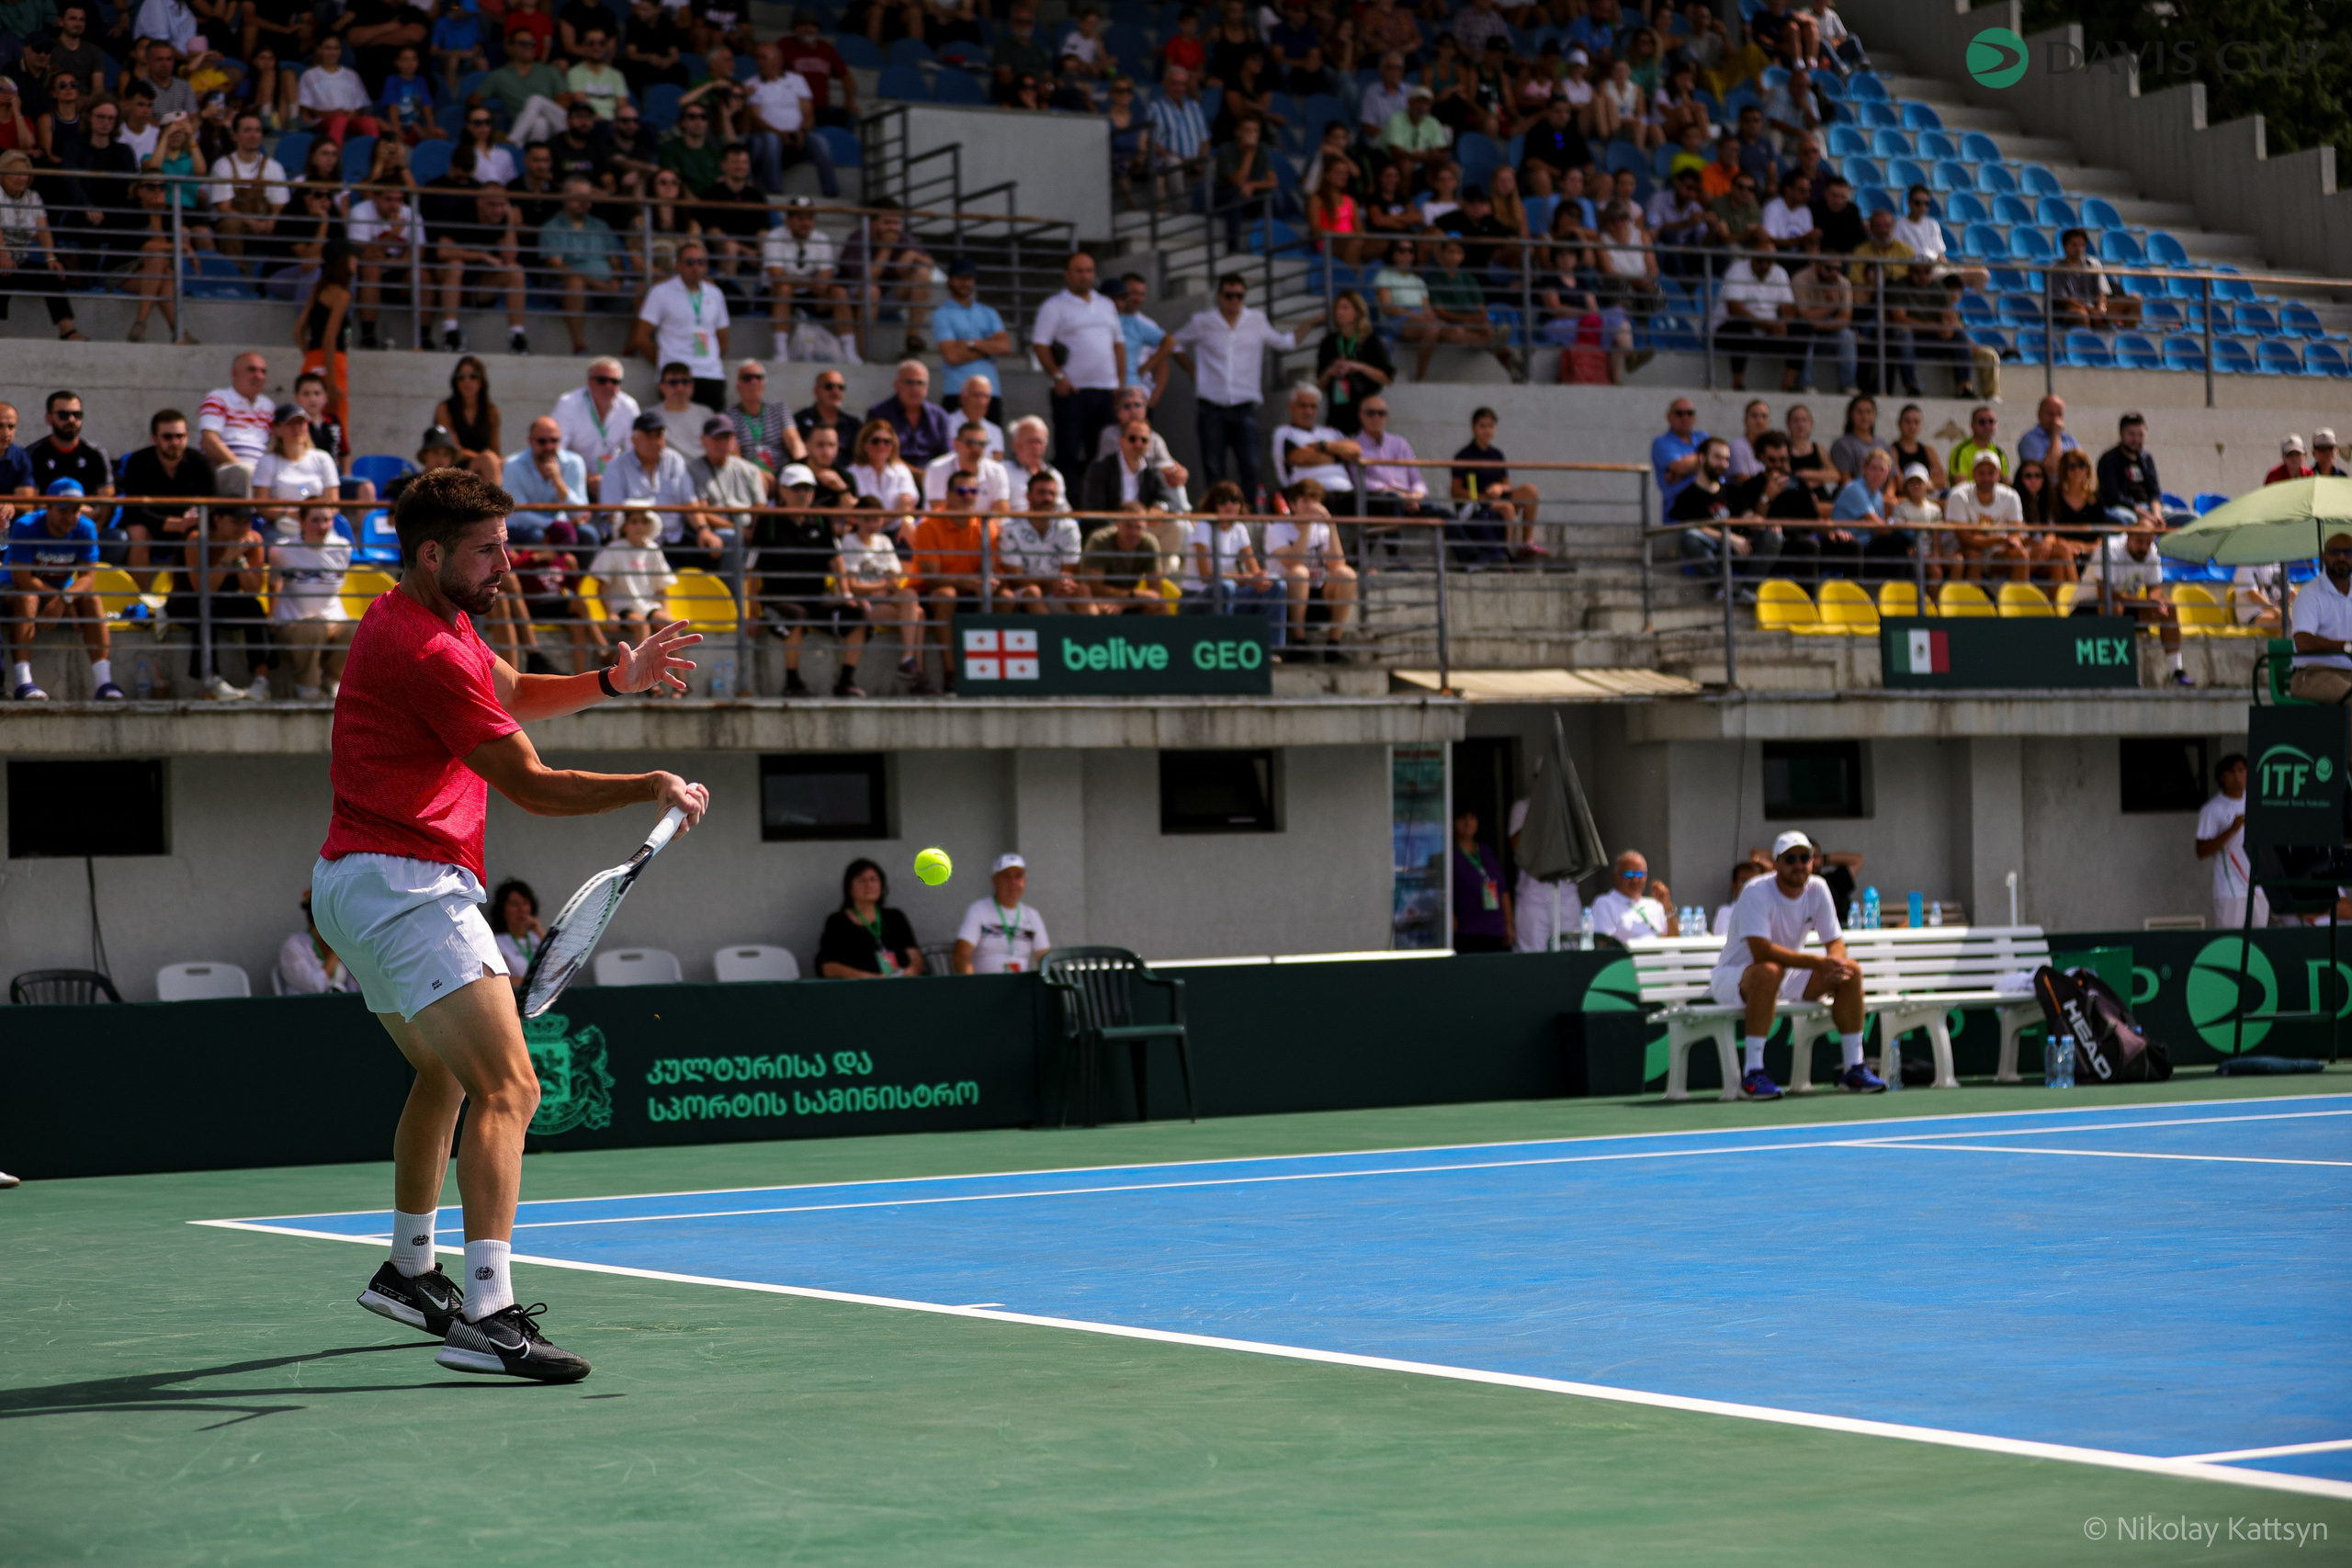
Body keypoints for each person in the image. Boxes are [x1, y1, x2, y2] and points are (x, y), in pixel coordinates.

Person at [313, 466, 703, 1381]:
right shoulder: (431, 652)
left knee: (448, 1073)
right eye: (488, 549)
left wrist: (614, 679)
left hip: (348, 882)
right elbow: (533, 783)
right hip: (410, 885)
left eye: (505, 544)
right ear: (431, 553)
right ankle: (488, 1317)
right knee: (512, 1089)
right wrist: (651, 785)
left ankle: (410, 1270)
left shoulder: (408, 614)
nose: (507, 563)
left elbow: (513, 689)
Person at [1711, 829, 1880, 1100]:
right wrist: (1818, 963)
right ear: (1776, 863)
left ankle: (1854, 1068)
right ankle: (1753, 1073)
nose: (1799, 865)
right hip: (1733, 978)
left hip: (1785, 975)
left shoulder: (1818, 888)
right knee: (1770, 971)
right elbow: (1761, 952)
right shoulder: (1755, 891)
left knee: (1851, 971)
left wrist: (1835, 963)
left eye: (1805, 858)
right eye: (1790, 859)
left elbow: (1835, 941)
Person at [1170, 270, 1318, 502]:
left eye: (1239, 296)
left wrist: (1310, 323)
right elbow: (1173, 342)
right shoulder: (1203, 321)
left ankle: (1249, 514)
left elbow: (1285, 343)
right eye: (1229, 295)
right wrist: (1190, 370)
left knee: (1251, 466)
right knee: (1213, 467)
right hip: (1211, 405)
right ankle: (1217, 514)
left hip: (1244, 406)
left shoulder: (1256, 320)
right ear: (1219, 296)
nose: (1234, 301)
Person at [6, 478, 119, 700]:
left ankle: (105, 683)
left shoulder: (86, 527)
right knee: (28, 598)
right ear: (47, 507)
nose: (69, 517)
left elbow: (88, 578)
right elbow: (22, 579)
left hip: (58, 594)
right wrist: (60, 599)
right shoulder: (26, 525)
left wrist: (64, 600)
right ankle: (23, 682)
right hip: (15, 590)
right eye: (62, 510)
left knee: (92, 599)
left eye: (75, 510)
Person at [1031, 249, 1124, 485]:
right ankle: (1069, 501)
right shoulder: (1054, 306)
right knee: (1068, 453)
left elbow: (1118, 344)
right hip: (1073, 392)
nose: (1085, 276)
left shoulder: (1106, 304)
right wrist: (1058, 377)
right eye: (1079, 271)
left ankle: (1099, 502)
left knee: (1103, 454)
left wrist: (1120, 382)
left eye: (1089, 271)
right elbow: (1040, 344)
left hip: (1105, 392)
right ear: (1067, 274)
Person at [830, 500, 922, 695]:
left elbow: (894, 580)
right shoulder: (849, 542)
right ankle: (913, 671)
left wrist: (880, 588)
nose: (873, 524)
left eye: (877, 519)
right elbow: (852, 587)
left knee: (915, 605)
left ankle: (911, 663)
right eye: (868, 519)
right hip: (863, 606)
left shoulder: (884, 541)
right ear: (857, 519)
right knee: (915, 611)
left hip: (882, 600)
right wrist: (879, 587)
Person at [119, 408, 217, 586]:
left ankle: (196, 595)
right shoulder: (138, 462)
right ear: (154, 438)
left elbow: (212, 501)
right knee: (137, 532)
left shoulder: (199, 461)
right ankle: (143, 597)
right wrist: (173, 523)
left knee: (201, 534)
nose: (175, 442)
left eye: (180, 436)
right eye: (167, 437)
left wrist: (195, 516)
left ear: (187, 436)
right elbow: (134, 510)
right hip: (151, 525)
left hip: (189, 526)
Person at [605, 412, 715, 568]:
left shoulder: (675, 460)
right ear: (634, 439)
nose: (654, 441)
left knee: (710, 551)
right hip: (635, 543)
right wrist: (638, 533)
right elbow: (612, 514)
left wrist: (704, 530)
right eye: (648, 436)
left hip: (675, 539)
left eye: (659, 436)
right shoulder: (616, 467)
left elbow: (689, 502)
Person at [632, 239, 729, 411]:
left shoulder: (715, 294)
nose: (696, 267)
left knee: (713, 427)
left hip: (711, 375)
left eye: (701, 262)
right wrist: (666, 365)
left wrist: (709, 361)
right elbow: (641, 337)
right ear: (677, 265)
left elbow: (723, 338)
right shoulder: (661, 292)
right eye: (690, 262)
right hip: (676, 378)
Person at [268, 501, 352, 699]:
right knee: (314, 627)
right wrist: (272, 618)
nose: (322, 526)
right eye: (315, 520)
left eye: (327, 520)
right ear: (302, 522)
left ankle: (333, 680)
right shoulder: (281, 550)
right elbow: (273, 584)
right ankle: (307, 685)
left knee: (356, 628)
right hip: (294, 622)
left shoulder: (343, 548)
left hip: (332, 620)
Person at [2086, 524, 2188, 685]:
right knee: (2115, 607)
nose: (2143, 548)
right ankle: (2123, 672)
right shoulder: (2109, 549)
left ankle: (2176, 671)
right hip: (2087, 607)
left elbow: (2155, 588)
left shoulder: (2151, 551)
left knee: (2169, 608)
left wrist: (2156, 601)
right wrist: (2146, 602)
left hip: (2125, 606)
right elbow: (2106, 595)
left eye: (2147, 543)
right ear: (2128, 536)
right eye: (2139, 542)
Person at [1266, 478, 1356, 659]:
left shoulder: (1322, 530)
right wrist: (1307, 526)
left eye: (1315, 501)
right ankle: (1299, 641)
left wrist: (1331, 525)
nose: (1312, 506)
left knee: (1346, 574)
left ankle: (1333, 644)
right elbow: (1292, 563)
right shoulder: (1276, 528)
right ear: (1293, 504)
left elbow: (1337, 565)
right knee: (1299, 573)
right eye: (1306, 501)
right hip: (1286, 597)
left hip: (1318, 594)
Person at [585, 500, 675, 643]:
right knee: (641, 626)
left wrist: (666, 612)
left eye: (644, 521)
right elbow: (603, 586)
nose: (639, 526)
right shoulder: (614, 549)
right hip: (623, 608)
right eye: (634, 521)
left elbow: (661, 587)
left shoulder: (653, 549)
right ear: (624, 525)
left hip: (649, 606)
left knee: (670, 626)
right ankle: (638, 659)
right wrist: (610, 614)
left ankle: (678, 660)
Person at [817, 857, 925, 976]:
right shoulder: (838, 922)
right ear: (849, 888)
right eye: (861, 881)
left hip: (899, 982)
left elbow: (914, 954)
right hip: (860, 985)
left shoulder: (895, 917)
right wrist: (867, 977)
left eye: (873, 879)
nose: (868, 885)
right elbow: (828, 967)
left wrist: (912, 970)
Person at [998, 468, 1086, 614]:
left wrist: (1063, 583)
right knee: (1033, 592)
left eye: (1052, 493)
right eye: (1042, 493)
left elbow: (1069, 570)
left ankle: (1095, 628)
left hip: (1057, 591)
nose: (1048, 498)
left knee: (1082, 591)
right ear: (1028, 496)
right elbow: (1015, 579)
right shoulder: (1010, 528)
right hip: (1023, 594)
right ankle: (1051, 630)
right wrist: (1052, 582)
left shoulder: (1069, 527)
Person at [550, 356, 641, 496]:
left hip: (613, 478)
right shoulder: (568, 404)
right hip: (572, 478)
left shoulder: (629, 406)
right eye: (602, 380)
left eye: (615, 382)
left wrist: (611, 478)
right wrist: (587, 478)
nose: (608, 386)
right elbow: (556, 450)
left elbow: (636, 450)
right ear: (588, 382)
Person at [2197, 752, 2266, 931]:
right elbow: (2201, 851)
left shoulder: (2259, 803)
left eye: (2241, 770)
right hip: (2230, 888)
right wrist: (2232, 829)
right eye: (2231, 772)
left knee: (2259, 940)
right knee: (2231, 940)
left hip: (2258, 887)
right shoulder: (2212, 809)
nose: (2237, 776)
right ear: (2222, 777)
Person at [950, 852, 1050, 974]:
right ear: (995, 880)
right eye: (1007, 877)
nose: (1013, 882)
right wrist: (971, 984)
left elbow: (1045, 958)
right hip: (986, 983)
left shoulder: (1032, 915)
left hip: (1020, 984)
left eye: (1018, 876)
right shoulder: (978, 910)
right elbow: (961, 955)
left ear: (1025, 881)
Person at [931, 255, 1012, 404]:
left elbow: (1004, 346)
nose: (965, 283)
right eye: (960, 278)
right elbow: (952, 356)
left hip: (990, 392)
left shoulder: (988, 312)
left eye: (969, 278)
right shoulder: (942, 314)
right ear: (950, 280)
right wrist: (989, 349)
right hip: (957, 391)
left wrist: (972, 344)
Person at [2288, 530, 2352, 705]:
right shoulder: (2310, 594)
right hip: (2312, 674)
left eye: (2348, 552)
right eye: (2334, 552)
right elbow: (2303, 642)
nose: (2341, 557)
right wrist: (2346, 646)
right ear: (2324, 557)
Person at [2097, 412, 2182, 532]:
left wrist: (2156, 515)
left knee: (2191, 519)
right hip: (2125, 509)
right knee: (2128, 520)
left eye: (2140, 434)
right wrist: (2145, 515)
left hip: (2150, 509)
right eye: (2131, 434)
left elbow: (2154, 491)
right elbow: (2113, 497)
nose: (2136, 439)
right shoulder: (2109, 459)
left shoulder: (2147, 458)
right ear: (2121, 434)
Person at [865, 357, 954, 470]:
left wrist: (929, 475)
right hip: (892, 475)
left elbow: (945, 457)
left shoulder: (939, 416)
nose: (915, 389)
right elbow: (877, 452)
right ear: (896, 385)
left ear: (927, 387)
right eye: (909, 382)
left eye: (920, 383)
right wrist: (915, 473)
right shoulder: (879, 413)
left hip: (932, 476)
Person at [1449, 806, 1510, 953]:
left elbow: (1503, 890)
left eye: (1472, 818)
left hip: (1494, 928)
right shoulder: (1451, 854)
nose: (1468, 822)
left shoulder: (1486, 850)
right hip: (1467, 930)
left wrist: (1509, 924)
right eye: (1463, 818)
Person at [278, 887, 362, 994]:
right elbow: (316, 986)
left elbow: (356, 989)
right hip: (307, 1003)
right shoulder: (294, 945)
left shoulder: (341, 943)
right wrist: (336, 951)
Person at [1590, 849, 1674, 942]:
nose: (1635, 880)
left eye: (1639, 874)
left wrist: (1667, 906)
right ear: (1617, 876)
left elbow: (1675, 942)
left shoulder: (1654, 905)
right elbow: (1603, 943)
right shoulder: (1605, 903)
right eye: (1629, 874)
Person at [650, 361, 721, 454]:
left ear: (692, 385)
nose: (680, 387)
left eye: (685, 382)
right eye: (673, 382)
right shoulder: (652, 416)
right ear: (661, 386)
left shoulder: (706, 413)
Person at [1651, 397, 1707, 511]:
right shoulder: (1661, 442)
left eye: (1690, 413)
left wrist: (1683, 470)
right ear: (1669, 416)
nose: (1685, 417)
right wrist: (1706, 461)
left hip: (1709, 504)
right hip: (1679, 511)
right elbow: (1680, 468)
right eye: (1679, 413)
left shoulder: (1703, 437)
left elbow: (1719, 459)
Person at [2016, 393, 2077, 471]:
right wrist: (2055, 434)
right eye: (2050, 414)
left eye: (2059, 414)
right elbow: (2050, 469)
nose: (2055, 419)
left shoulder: (2070, 440)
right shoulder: (2029, 440)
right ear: (2039, 414)